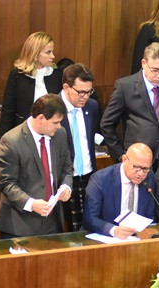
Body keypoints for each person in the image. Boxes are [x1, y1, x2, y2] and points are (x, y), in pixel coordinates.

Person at [101, 42, 159, 163]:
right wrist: (119, 154)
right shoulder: (125, 86)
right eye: (155, 70)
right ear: (144, 63)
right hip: (136, 160)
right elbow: (107, 124)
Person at [0, 94, 73, 238]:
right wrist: (31, 203)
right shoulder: (11, 141)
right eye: (55, 122)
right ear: (41, 118)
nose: (59, 126)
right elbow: (7, 183)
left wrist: (66, 187)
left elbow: (67, 167)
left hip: (53, 221)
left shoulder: (60, 134)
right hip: (21, 224)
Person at [83, 143, 156, 238]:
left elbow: (149, 215)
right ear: (125, 159)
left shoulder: (149, 177)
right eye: (136, 167)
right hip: (107, 238)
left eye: (146, 168)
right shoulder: (100, 179)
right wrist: (114, 230)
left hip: (137, 238)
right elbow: (89, 219)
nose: (141, 174)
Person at [0, 31, 63, 138]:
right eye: (48, 52)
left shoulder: (57, 75)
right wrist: (2, 139)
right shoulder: (17, 76)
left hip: (52, 133)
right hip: (24, 134)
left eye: (52, 51)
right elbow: (8, 110)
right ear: (35, 53)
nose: (53, 56)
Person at [59, 63, 100, 231]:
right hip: (64, 180)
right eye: (80, 92)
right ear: (66, 87)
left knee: (88, 226)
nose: (85, 97)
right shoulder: (52, 107)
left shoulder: (92, 106)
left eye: (89, 92)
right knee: (66, 229)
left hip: (89, 176)